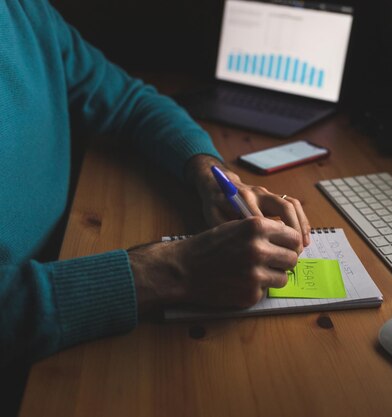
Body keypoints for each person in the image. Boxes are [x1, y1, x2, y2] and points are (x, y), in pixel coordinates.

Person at [0, 0, 311, 371]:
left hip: (63, 261)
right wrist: (169, 270)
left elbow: (131, 102)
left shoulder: (25, 12)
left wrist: (210, 172)